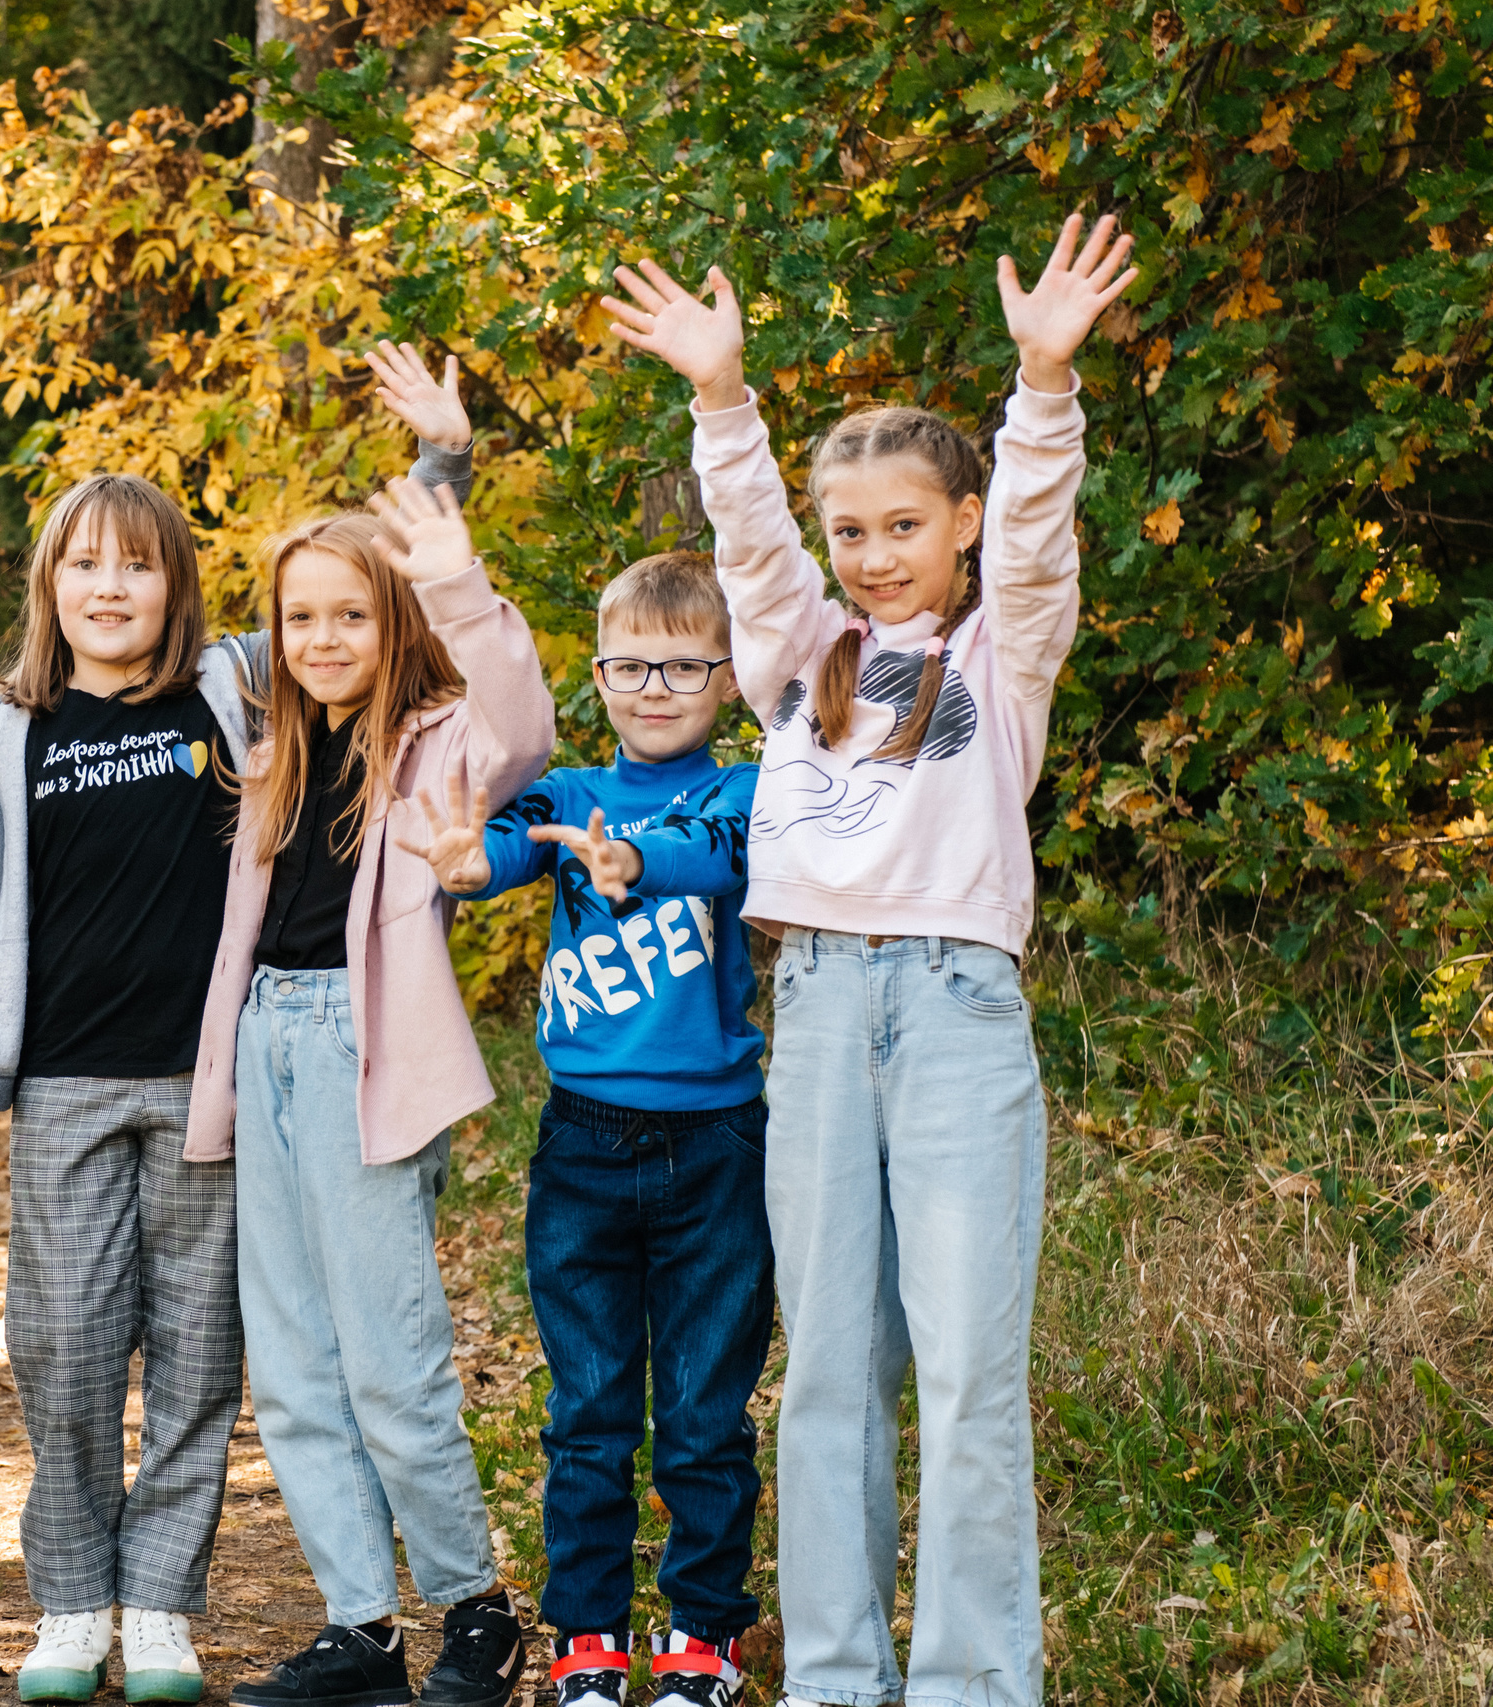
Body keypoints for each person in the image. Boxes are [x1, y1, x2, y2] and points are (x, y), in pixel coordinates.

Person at [600, 213, 1138, 1707]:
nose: (875, 555)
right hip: (822, 1005)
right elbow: (748, 543)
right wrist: (721, 396)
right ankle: (838, 1675)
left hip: (956, 1007)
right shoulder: (800, 655)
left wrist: (1044, 384)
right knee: (831, 1366)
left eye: (904, 525)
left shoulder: (1003, 656)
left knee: (965, 1371)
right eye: (851, 532)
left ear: (960, 522)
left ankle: (970, 1682)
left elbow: (1038, 540)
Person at [0, 344, 475, 1706]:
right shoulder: (3, 735)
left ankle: (163, 1603)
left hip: (218, 1082)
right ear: (49, 588)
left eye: (138, 566)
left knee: (196, 1354)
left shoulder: (235, 690)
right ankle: (73, 1598)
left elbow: (372, 596)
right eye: (83, 566)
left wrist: (441, 460)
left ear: (177, 587)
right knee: (64, 1348)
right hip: (65, 1082)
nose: (109, 588)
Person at [183, 472, 555, 1707]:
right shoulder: (274, 757)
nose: (323, 639)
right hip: (268, 1044)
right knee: (293, 1366)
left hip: (365, 1050)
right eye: (300, 618)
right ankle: (362, 1626)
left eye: (351, 614)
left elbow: (525, 725)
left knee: (391, 1362)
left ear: (395, 622)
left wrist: (455, 577)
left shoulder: (441, 741)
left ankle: (474, 1608)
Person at [406, 549, 768, 1707]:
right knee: (590, 1413)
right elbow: (501, 852)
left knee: (704, 1415)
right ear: (597, 676)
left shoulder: (744, 792)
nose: (655, 689)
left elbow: (714, 859)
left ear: (727, 679)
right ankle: (588, 1646)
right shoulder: (565, 795)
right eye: (630, 667)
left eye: (683, 668)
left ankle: (702, 1642)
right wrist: (468, 861)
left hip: (716, 1148)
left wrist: (633, 859)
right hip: (583, 1150)